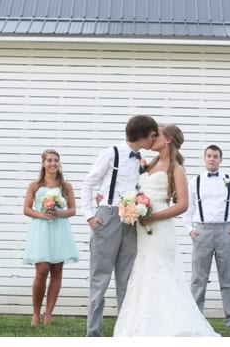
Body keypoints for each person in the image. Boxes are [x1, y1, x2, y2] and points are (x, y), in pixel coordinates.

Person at [114, 124, 219, 337]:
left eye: (157, 134)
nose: (152, 138)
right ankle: (143, 325)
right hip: (143, 228)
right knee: (144, 272)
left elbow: (183, 205)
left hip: (160, 229)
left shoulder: (176, 168)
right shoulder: (149, 164)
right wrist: (130, 206)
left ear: (168, 139)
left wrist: (152, 216)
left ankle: (174, 328)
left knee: (162, 273)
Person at [81, 114, 159, 337]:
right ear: (142, 134)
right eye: (152, 135)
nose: (153, 139)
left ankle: (124, 332)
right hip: (108, 217)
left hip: (132, 220)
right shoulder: (111, 153)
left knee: (127, 277)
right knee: (100, 276)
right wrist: (89, 216)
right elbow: (88, 183)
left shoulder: (141, 160)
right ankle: (94, 333)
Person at [184, 144, 230, 328]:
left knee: (228, 279)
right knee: (198, 278)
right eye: (209, 156)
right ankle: (195, 319)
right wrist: (190, 229)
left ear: (220, 159)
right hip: (202, 231)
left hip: (225, 232)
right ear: (204, 159)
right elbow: (188, 209)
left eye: (215, 156)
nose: (212, 159)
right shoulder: (195, 181)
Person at [22, 149, 79, 326]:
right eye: (49, 160)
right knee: (42, 269)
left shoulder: (65, 186)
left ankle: (48, 314)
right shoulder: (35, 185)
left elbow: (73, 210)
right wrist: (42, 215)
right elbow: (26, 209)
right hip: (41, 229)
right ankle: (36, 313)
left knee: (57, 270)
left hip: (59, 229)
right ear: (43, 163)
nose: (53, 163)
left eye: (56, 160)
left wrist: (59, 213)